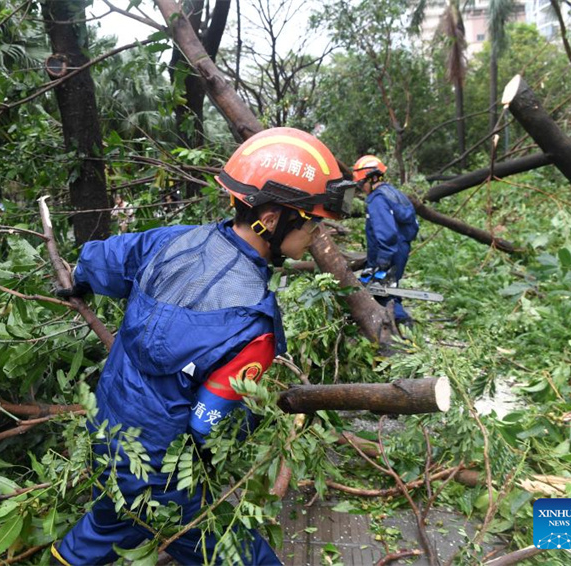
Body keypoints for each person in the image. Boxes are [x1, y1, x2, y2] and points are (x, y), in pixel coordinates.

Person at [52, 128, 356, 566]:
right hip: (159, 476)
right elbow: (207, 426)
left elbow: (99, 261)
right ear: (272, 220)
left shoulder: (171, 241)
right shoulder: (255, 325)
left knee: (105, 524)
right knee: (244, 558)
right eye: (313, 221)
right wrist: (256, 418)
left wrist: (76, 278)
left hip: (105, 433)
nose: (317, 234)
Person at [351, 155, 419, 325]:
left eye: (362, 184)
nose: (362, 188)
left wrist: (383, 259)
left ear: (373, 178)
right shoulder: (393, 193)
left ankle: (400, 320)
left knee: (381, 290)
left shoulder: (378, 200)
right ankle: (396, 317)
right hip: (399, 249)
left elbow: (386, 231)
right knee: (388, 286)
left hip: (388, 251)